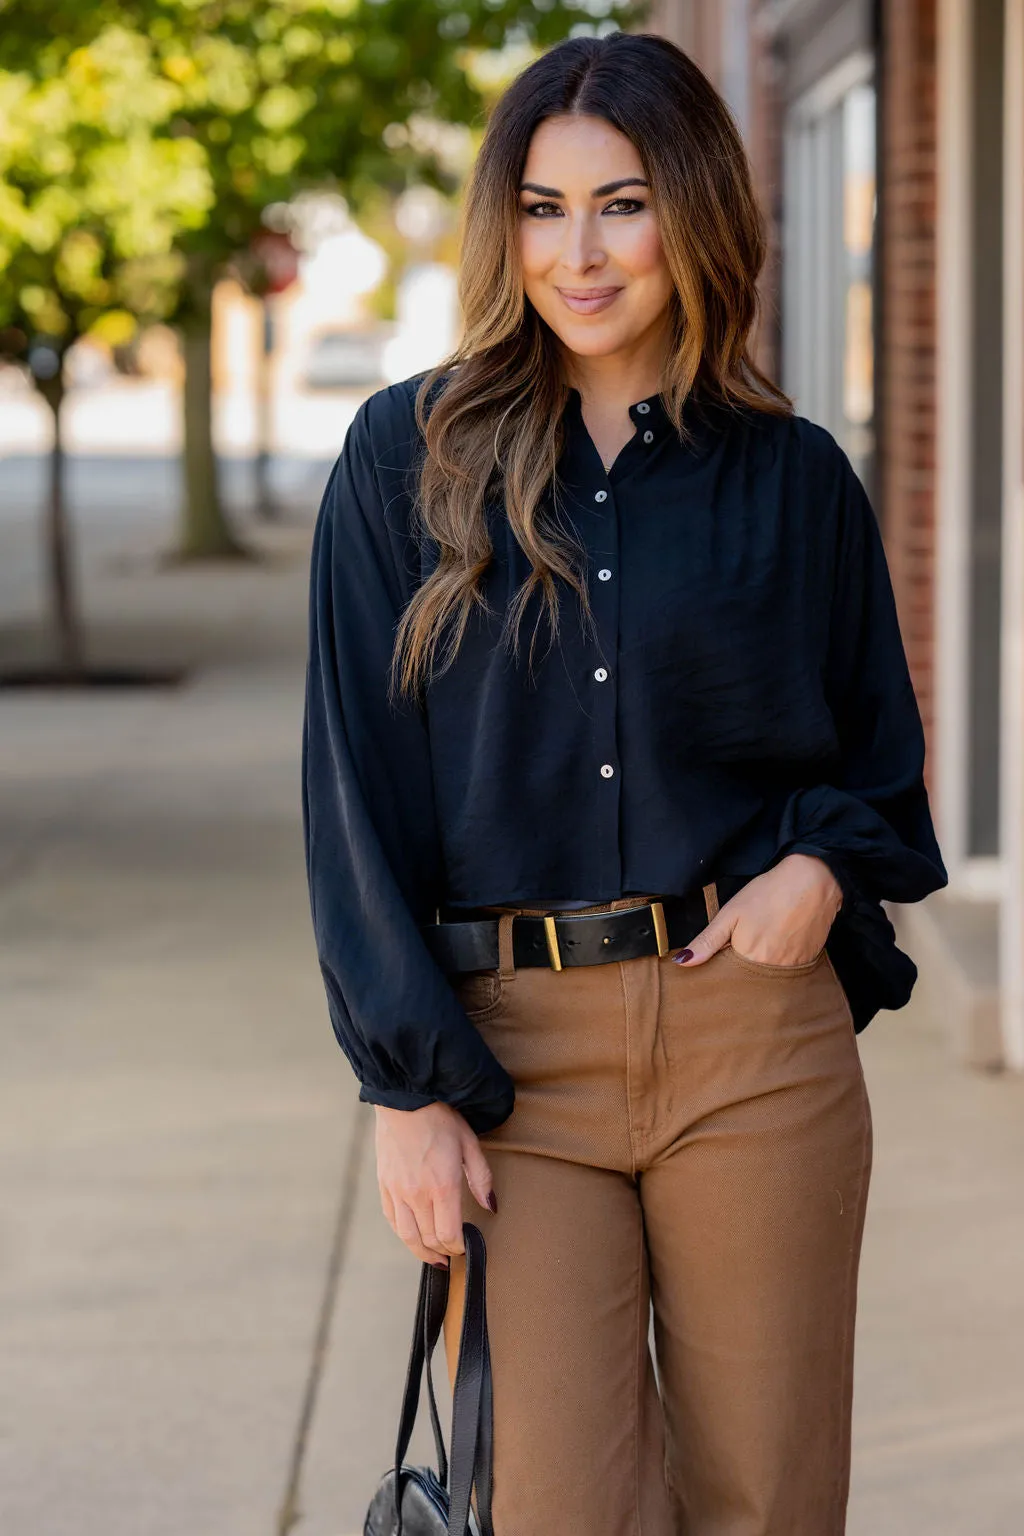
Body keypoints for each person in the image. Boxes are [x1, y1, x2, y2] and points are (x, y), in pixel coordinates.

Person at [302, 30, 947, 1536]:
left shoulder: (794, 479)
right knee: (552, 1507)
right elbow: (353, 789)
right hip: (510, 1059)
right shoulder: (409, 456)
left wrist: (822, 871)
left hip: (751, 1039)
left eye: (621, 204)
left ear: (697, 213)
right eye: (541, 207)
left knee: (769, 1500)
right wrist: (406, 1085)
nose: (576, 254)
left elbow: (884, 761)